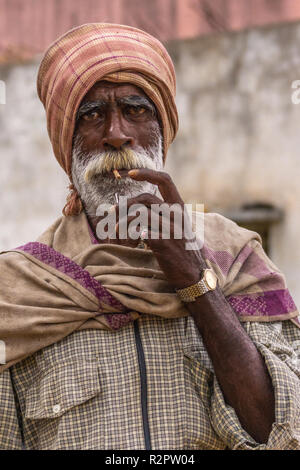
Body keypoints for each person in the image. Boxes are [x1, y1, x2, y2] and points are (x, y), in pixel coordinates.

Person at [0, 23, 300, 451]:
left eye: (136, 110)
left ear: (163, 127)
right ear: (66, 144)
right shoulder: (18, 287)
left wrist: (194, 277)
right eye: (92, 115)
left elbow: (283, 431)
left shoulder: (237, 258)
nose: (116, 134)